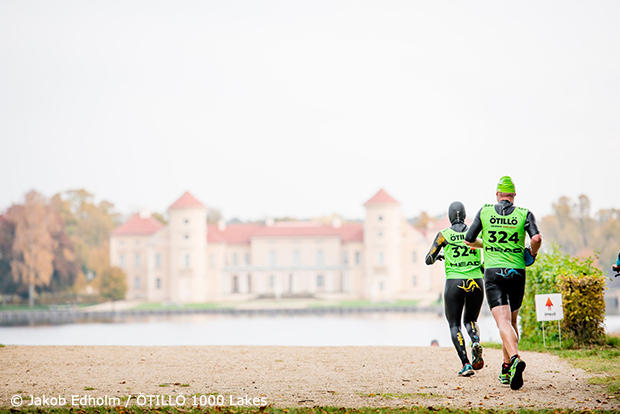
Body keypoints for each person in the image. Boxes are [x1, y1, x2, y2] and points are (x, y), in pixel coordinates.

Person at [465, 176, 542, 390]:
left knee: (502, 322)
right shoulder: (524, 213)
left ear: (497, 194)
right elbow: (536, 239)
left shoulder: (485, 211)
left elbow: (469, 240)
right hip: (517, 272)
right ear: (514, 195)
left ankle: (515, 358)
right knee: (511, 322)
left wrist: (487, 245)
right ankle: (506, 368)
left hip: (494, 273)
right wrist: (532, 254)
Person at [426, 201, 485, 377]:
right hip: (476, 281)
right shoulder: (476, 233)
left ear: (450, 217)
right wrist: (481, 268)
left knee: (454, 324)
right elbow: (490, 252)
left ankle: (466, 364)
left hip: (454, 283)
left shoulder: (443, 235)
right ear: (465, 216)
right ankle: (475, 341)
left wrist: (439, 256)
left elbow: (428, 259)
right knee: (471, 320)